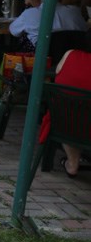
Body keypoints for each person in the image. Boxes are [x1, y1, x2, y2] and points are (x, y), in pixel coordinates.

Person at [39, 49, 91, 178]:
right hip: (84, 127)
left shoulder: (70, 55)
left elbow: (57, 73)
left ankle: (72, 164)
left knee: (74, 114)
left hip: (63, 124)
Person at [10, 0, 88, 49]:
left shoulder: (29, 14)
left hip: (40, 61)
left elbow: (13, 31)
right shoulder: (75, 11)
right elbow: (84, 30)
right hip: (71, 60)